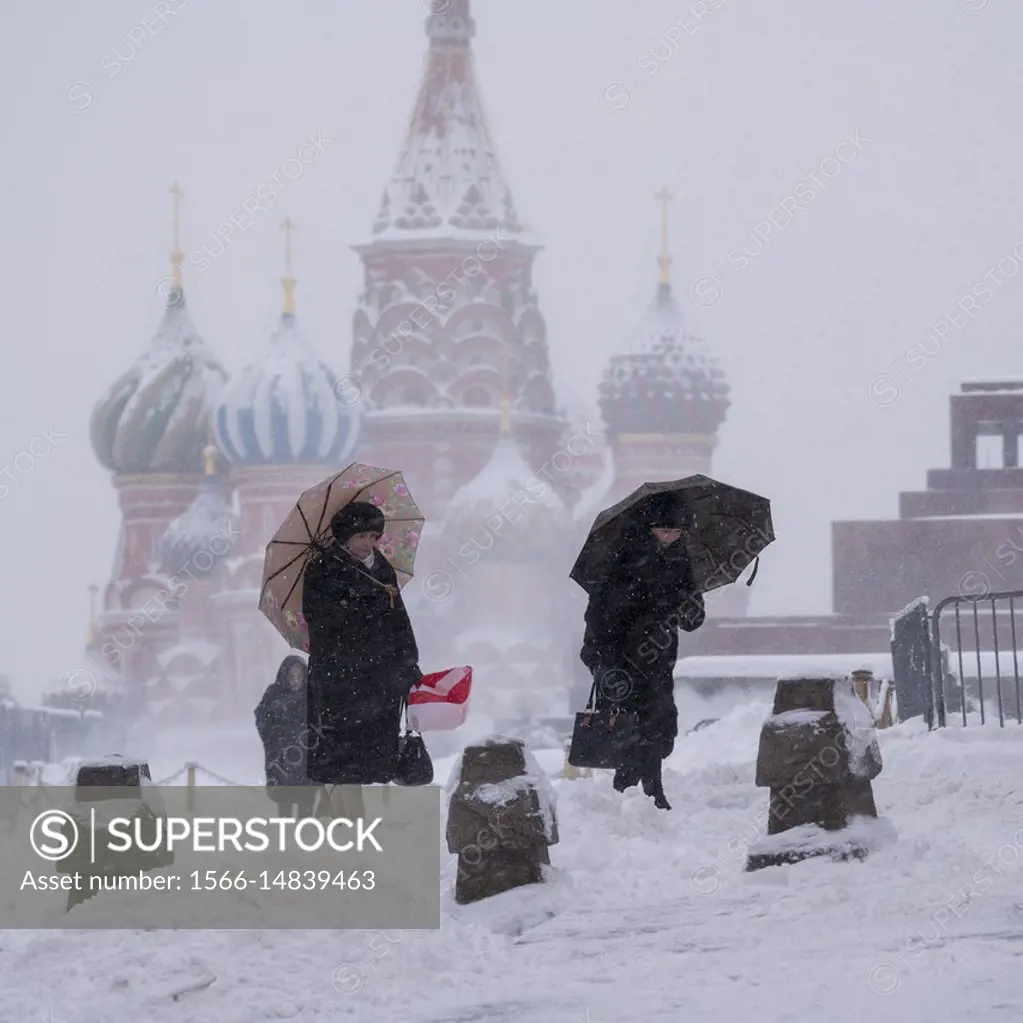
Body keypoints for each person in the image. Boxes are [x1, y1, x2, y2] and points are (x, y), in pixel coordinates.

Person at [580, 495, 705, 810]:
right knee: (626, 726)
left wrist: (685, 602)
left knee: (658, 728)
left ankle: (646, 790)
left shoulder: (679, 561)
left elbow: (693, 619)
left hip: (659, 661)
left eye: (676, 533)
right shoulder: (621, 557)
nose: (671, 538)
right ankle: (636, 792)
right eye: (665, 531)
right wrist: (597, 655)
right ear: (650, 528)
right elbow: (599, 610)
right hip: (620, 658)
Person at [302, 500, 422, 789]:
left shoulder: (382, 569)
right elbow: (318, 622)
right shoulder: (322, 568)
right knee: (342, 763)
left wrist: (408, 661)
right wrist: (356, 604)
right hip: (341, 680)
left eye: (373, 536)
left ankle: (366, 821)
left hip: (380, 679)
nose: (368, 543)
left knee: (376, 761)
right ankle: (345, 824)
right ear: (345, 537)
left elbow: (399, 620)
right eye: (361, 536)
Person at [255, 654, 320, 818]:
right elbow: (262, 718)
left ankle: (305, 832)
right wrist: (275, 735)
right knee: (284, 797)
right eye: (291, 676)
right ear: (284, 676)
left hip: (305, 756)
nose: (295, 680)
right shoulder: (274, 694)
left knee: (306, 798)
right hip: (282, 756)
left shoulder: (312, 695)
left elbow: (321, 722)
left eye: (299, 676)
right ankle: (285, 833)